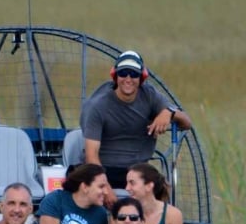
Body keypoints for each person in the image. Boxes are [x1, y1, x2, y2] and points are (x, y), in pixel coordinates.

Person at [80, 49, 192, 188]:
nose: (128, 79)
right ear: (115, 76)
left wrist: (169, 113)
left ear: (142, 78)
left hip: (138, 171)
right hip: (104, 169)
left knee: (163, 187)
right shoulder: (97, 105)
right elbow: (91, 157)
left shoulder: (150, 95)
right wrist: (105, 188)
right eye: (123, 73)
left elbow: (187, 123)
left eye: (133, 74)